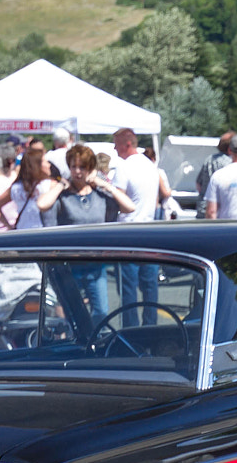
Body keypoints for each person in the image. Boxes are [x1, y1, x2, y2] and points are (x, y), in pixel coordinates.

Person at [41, 144, 137, 318]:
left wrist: (104, 184)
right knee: (71, 312)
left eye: (82, 167)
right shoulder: (63, 196)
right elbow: (42, 204)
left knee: (101, 311)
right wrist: (61, 185)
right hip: (70, 264)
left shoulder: (99, 196)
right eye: (73, 167)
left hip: (96, 264)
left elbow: (130, 207)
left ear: (90, 168)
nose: (78, 172)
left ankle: (93, 340)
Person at [107, 127, 165, 319]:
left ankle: (130, 329)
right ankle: (150, 325)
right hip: (150, 229)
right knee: (150, 285)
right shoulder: (150, 165)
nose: (115, 150)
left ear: (127, 144)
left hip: (128, 231)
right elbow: (159, 196)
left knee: (128, 288)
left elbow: (119, 199)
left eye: (116, 145)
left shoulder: (124, 166)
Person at [7, 144, 57, 232]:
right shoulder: (50, 185)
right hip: (43, 232)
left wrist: (9, 226)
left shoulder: (16, 187)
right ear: (37, 165)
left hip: (21, 231)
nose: (49, 165)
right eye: (45, 162)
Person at [195, 130, 234, 202]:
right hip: (221, 207)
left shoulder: (209, 159)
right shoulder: (231, 163)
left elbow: (198, 184)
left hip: (204, 204)